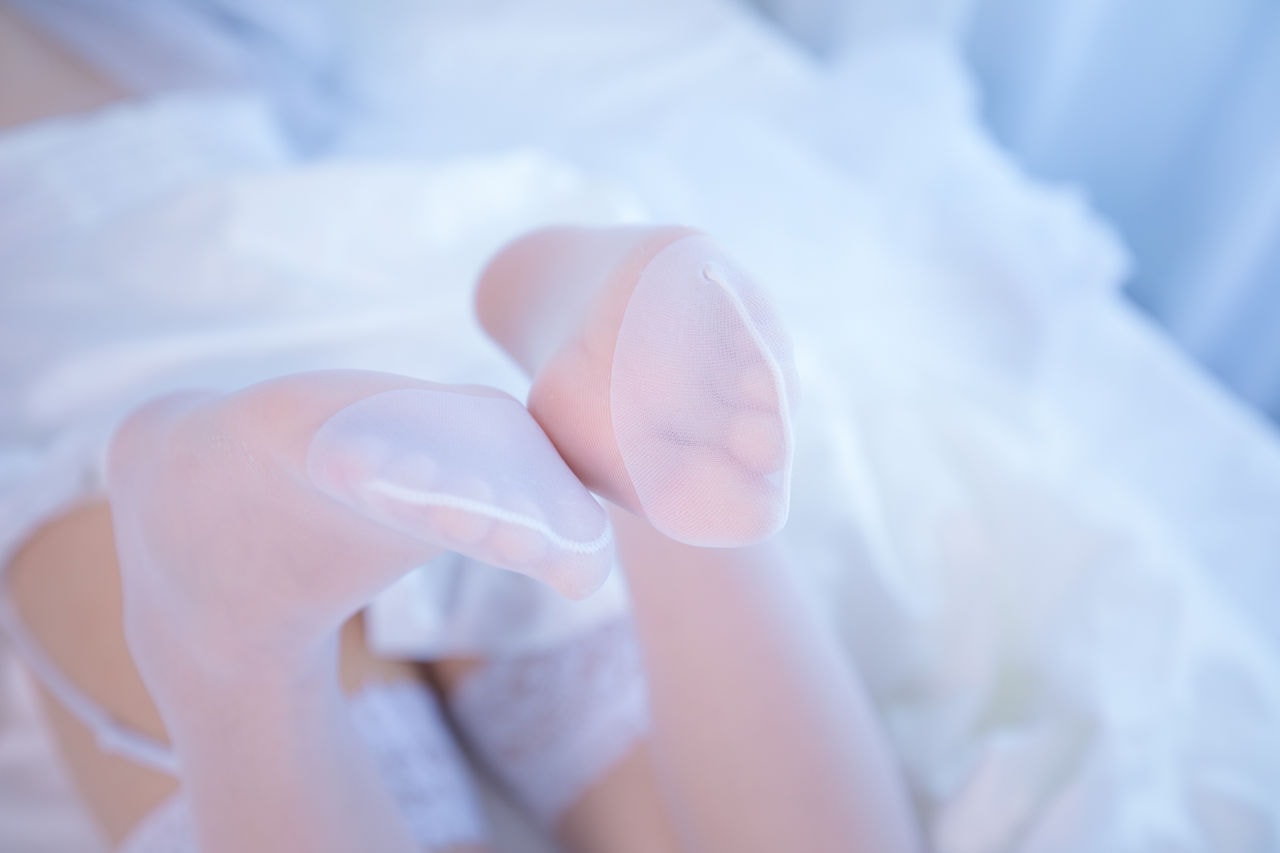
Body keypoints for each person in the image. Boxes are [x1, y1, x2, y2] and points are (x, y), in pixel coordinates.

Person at [0, 4, 923, 850]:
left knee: (169, 567)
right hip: (405, 377)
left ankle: (242, 659)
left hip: (135, 315)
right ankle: (641, 481)